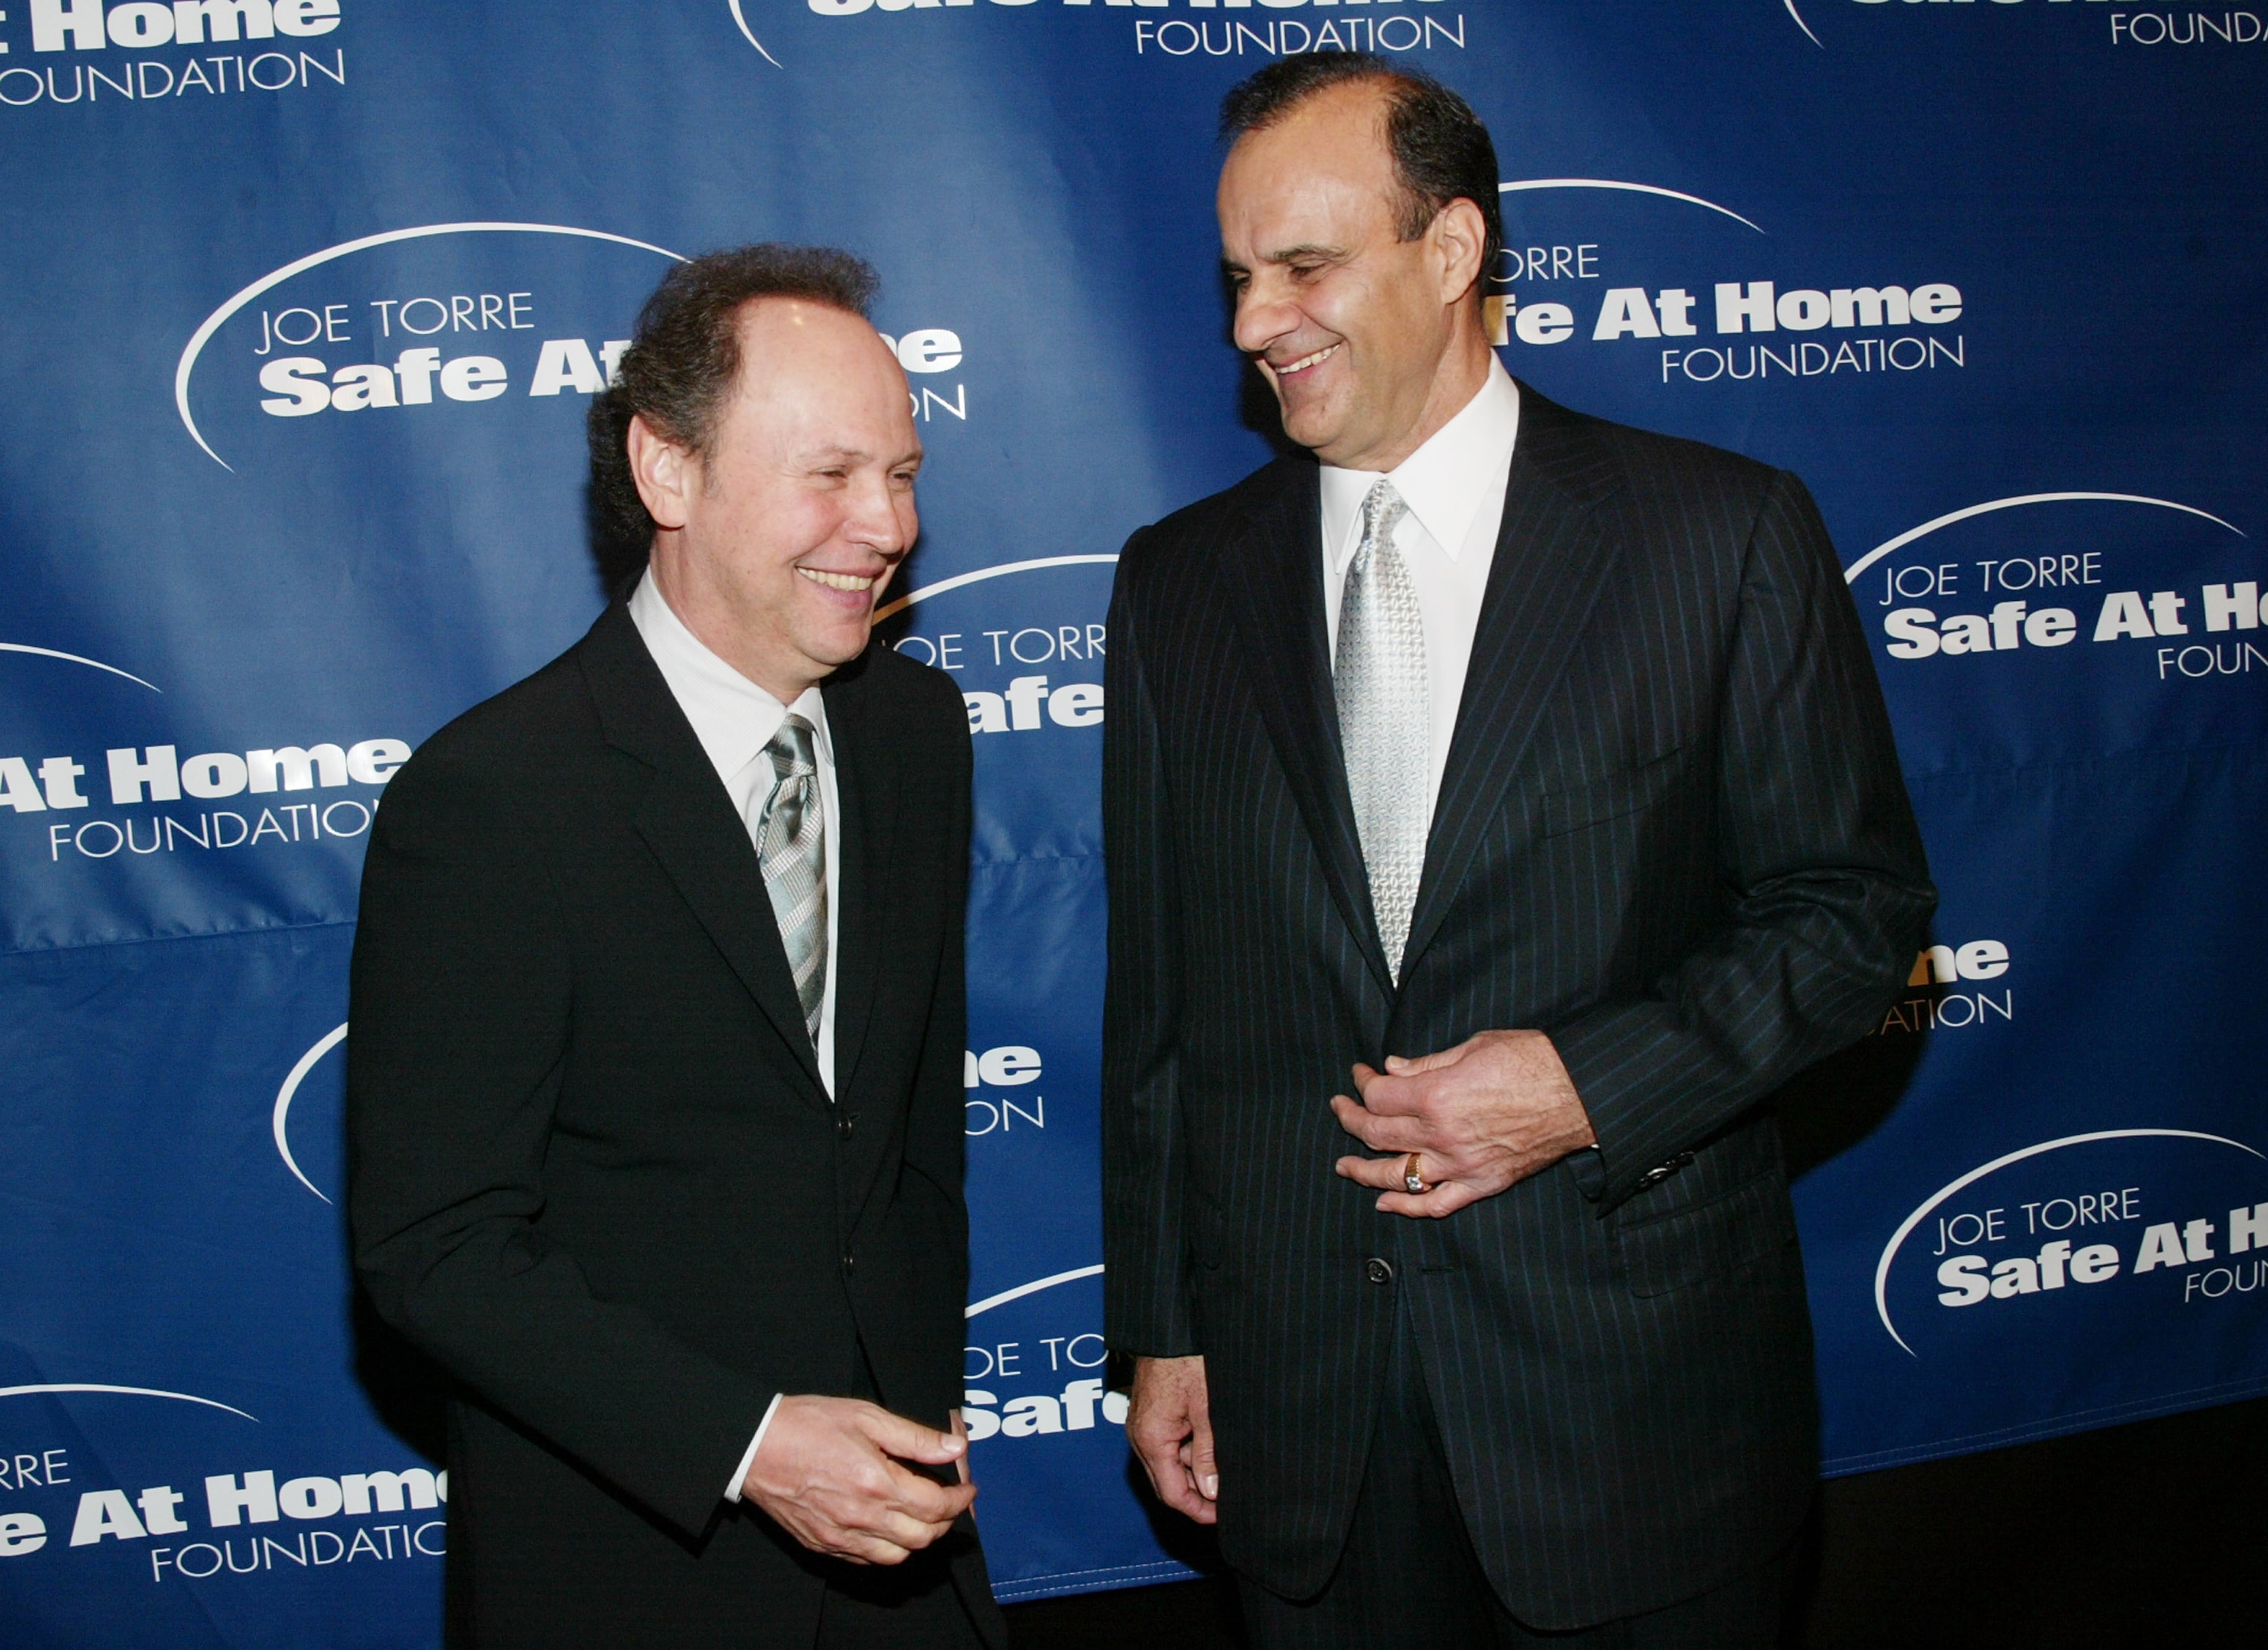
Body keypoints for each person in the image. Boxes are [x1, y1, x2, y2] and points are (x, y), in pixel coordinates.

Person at [1100, 57, 1935, 1648]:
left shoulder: (1720, 538)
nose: (1251, 322)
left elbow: (1854, 916)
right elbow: (1162, 1006)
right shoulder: (1177, 586)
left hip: (1630, 1410)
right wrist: (1166, 1327)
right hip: (1304, 1423)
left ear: (1455, 246)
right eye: (1235, 277)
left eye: (1305, 266)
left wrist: (1586, 1087)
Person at [349, 245, 1005, 1649]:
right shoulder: (496, 799)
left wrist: (907, 1416)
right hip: (636, 1569)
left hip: (906, 1564)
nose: (885, 525)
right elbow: (435, 1246)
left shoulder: (915, 737)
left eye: (901, 474)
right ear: (668, 473)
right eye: (830, 475)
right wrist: (754, 1442)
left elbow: (908, 1143)